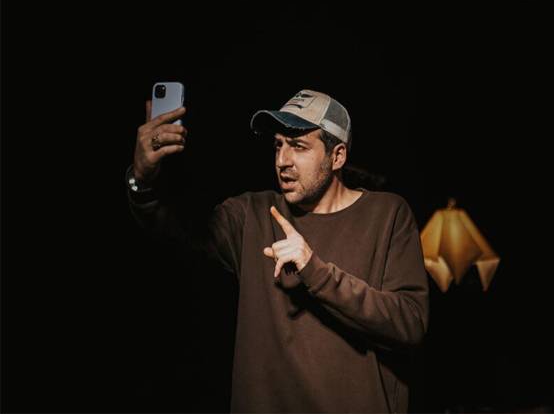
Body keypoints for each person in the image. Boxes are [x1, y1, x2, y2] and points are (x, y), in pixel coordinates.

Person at [126, 89, 429, 413]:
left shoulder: (386, 214)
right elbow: (175, 232)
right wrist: (141, 181)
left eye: (298, 146)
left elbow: (409, 324)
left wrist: (314, 269)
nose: (282, 161)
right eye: (278, 145)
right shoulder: (252, 215)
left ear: (337, 156)